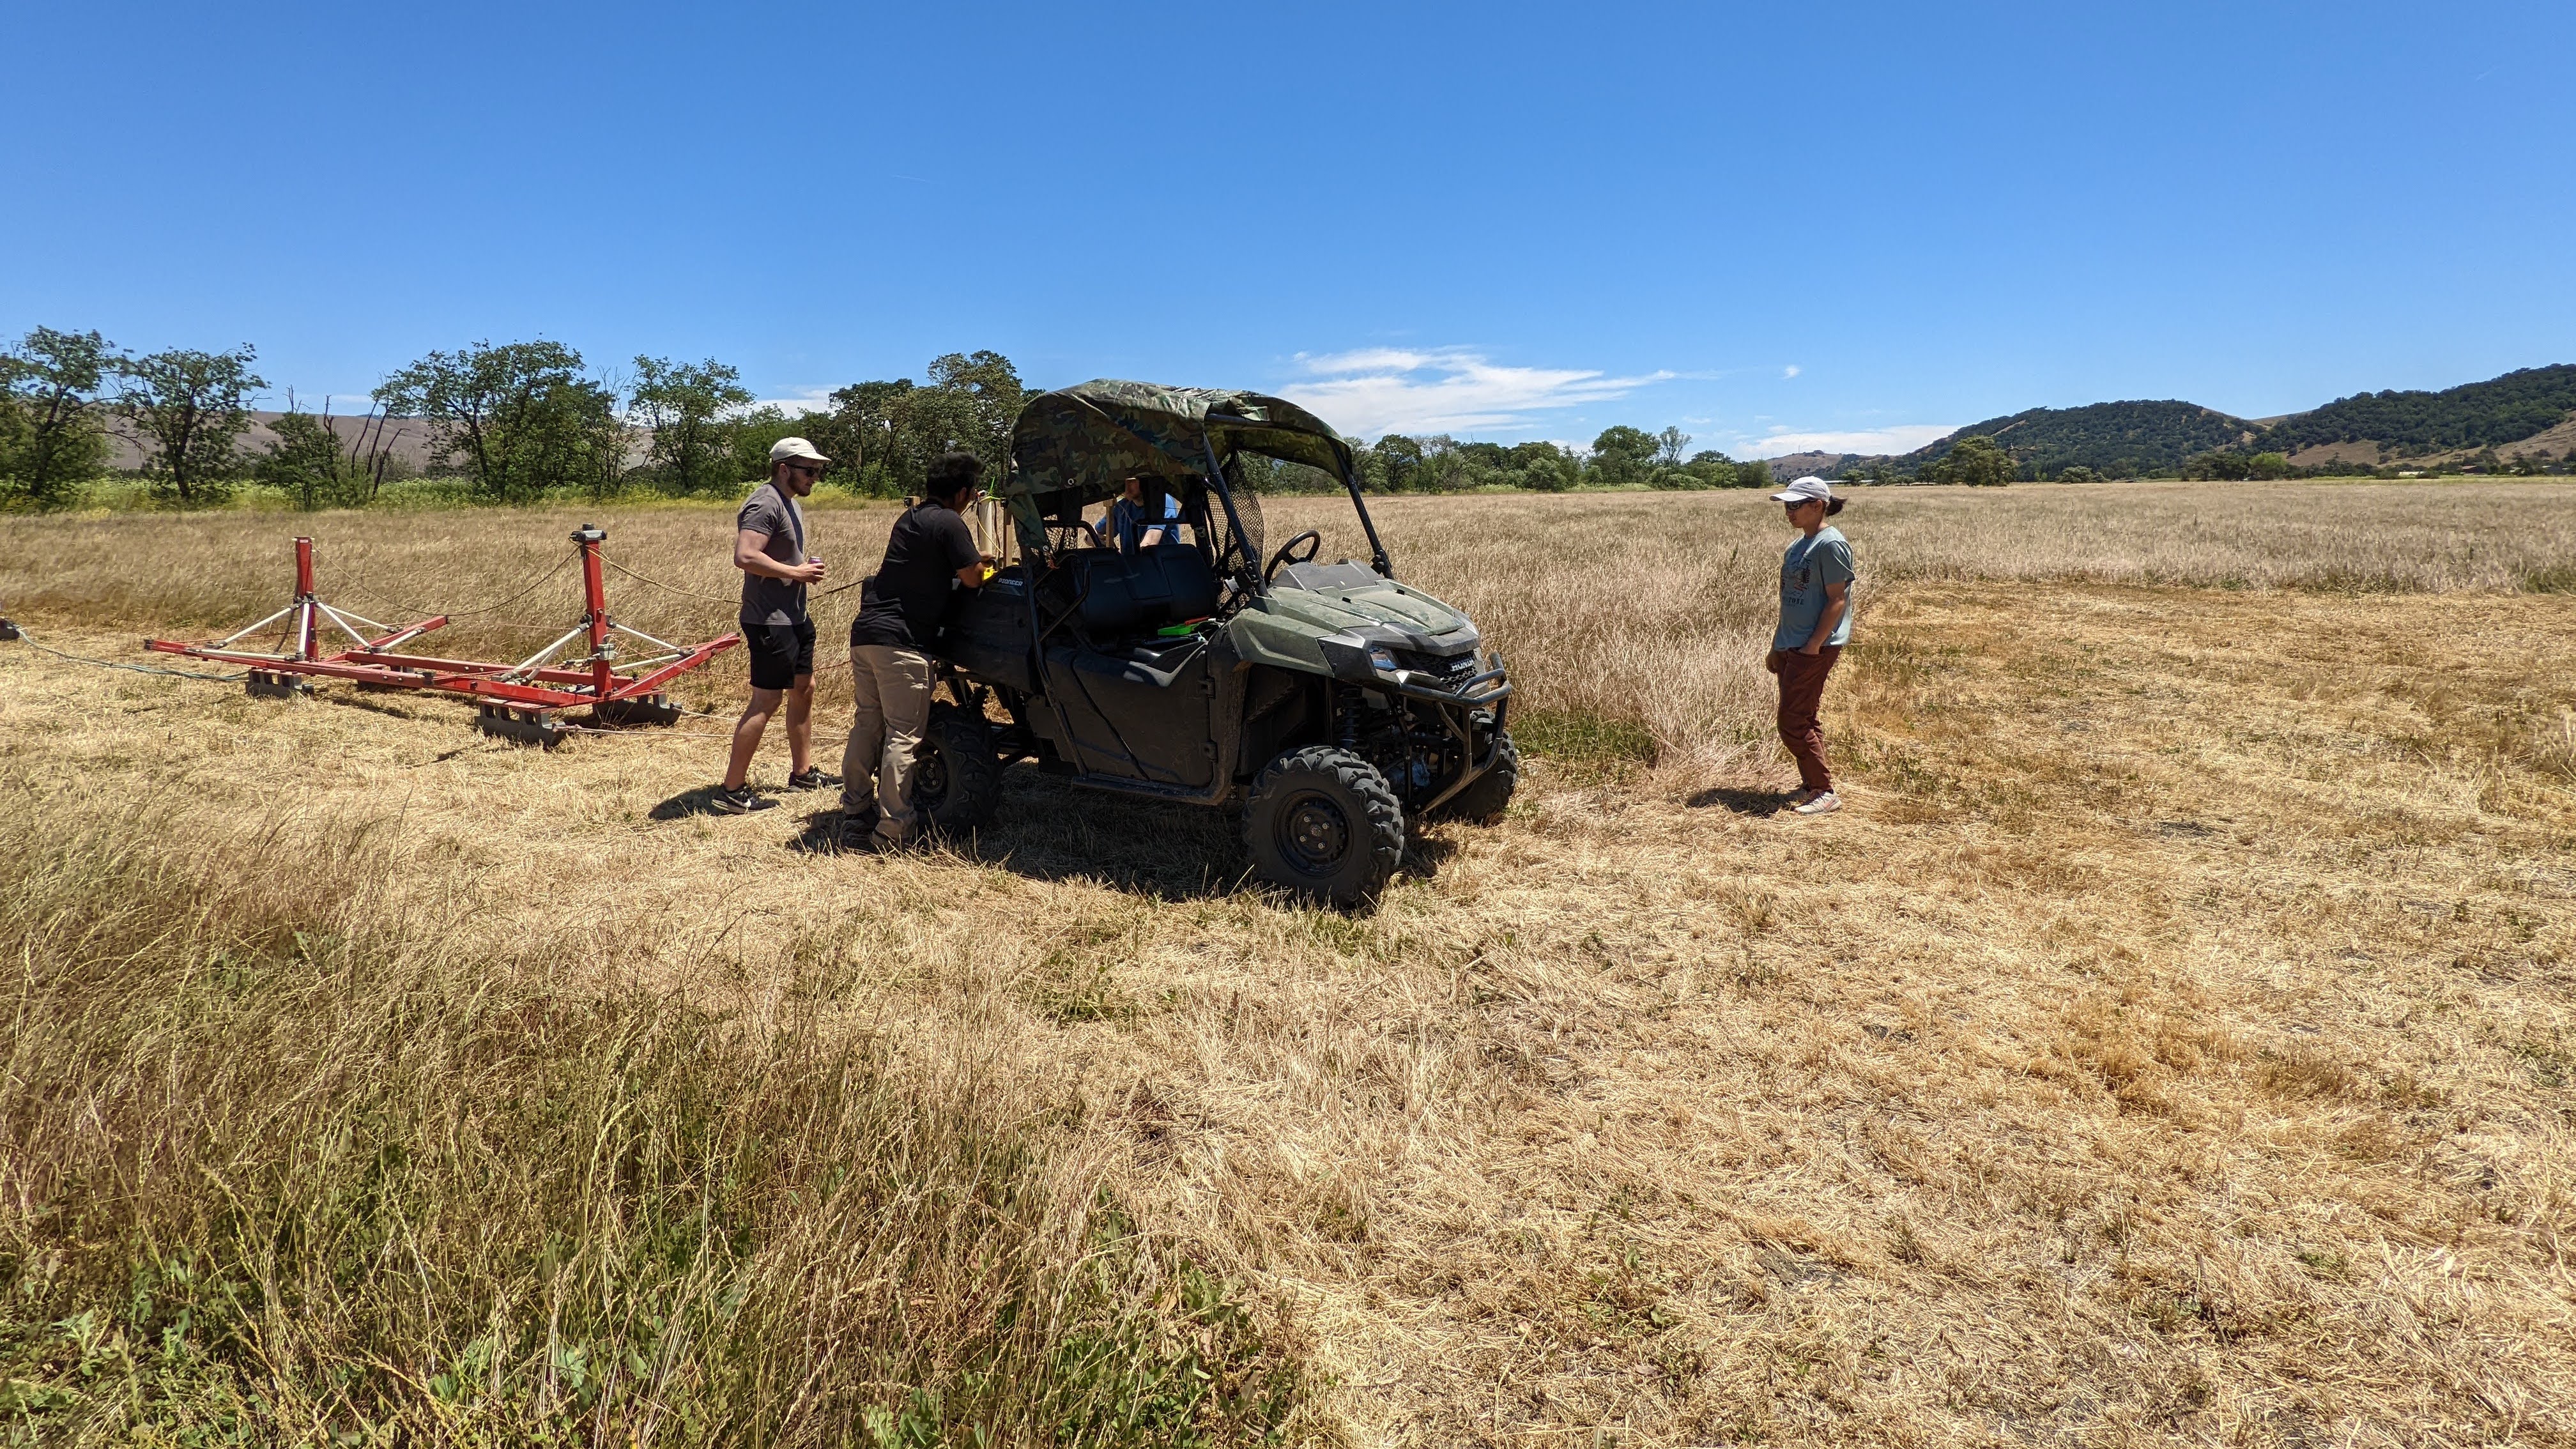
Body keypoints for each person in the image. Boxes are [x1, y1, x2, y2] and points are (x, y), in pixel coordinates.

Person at [839, 451, 991, 850]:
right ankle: (894, 828)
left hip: (867, 633)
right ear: (961, 492)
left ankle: (855, 808)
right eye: (973, 491)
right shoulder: (950, 522)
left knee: (868, 723)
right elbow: (973, 580)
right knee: (904, 734)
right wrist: (986, 565)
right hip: (901, 644)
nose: (974, 496)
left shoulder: (910, 519)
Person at [714, 438, 834, 815]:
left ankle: (802, 772)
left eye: (819, 471)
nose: (815, 477)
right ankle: (731, 790)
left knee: (804, 686)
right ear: (784, 469)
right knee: (766, 700)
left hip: (794, 615)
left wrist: (797, 575)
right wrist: (796, 572)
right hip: (769, 619)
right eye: (809, 470)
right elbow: (745, 556)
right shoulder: (765, 502)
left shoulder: (790, 503)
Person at [1765, 476, 1854, 816]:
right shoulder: (1798, 545)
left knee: (1792, 721)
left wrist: (1813, 646)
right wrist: (1778, 645)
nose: (1789, 512)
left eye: (1796, 505)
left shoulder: (1830, 544)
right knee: (1804, 715)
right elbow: (1788, 602)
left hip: (1812, 647)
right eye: (1786, 505)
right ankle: (1814, 781)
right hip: (1792, 644)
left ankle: (1823, 791)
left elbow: (1837, 600)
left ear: (1818, 505)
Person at [1105, 473, 1179, 554]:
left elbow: (1149, 544)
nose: (1127, 486)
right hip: (1134, 564)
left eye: (1132, 482)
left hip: (1161, 564)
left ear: (1145, 482)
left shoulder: (1162, 501)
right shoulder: (1122, 506)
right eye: (1124, 481)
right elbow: (1095, 534)